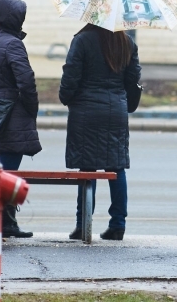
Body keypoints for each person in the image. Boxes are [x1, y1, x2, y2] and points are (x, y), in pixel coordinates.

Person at [60, 23, 141, 241]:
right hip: (116, 110)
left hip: (85, 111)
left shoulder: (83, 39)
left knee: (87, 168)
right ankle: (118, 225)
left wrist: (66, 97)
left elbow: (71, 74)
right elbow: (133, 80)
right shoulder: (127, 43)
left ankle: (82, 225)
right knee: (117, 167)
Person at [0, 0, 42, 238]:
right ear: (14, 18)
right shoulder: (13, 44)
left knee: (0, 170)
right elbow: (26, 81)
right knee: (8, 172)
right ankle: (5, 223)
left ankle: (3, 222)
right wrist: (31, 108)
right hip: (12, 114)